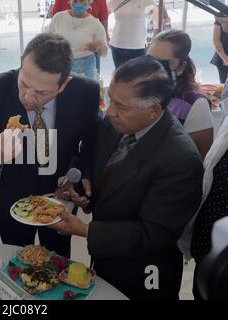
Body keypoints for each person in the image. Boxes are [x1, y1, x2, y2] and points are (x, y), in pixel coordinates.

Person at [51, 55, 203, 299]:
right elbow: (94, 157)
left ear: (154, 110)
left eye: (120, 106)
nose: (110, 112)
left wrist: (85, 230)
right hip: (107, 258)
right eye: (110, 100)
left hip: (145, 271)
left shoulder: (180, 160)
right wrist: (85, 184)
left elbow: (154, 233)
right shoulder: (117, 123)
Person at [0, 33, 100, 258]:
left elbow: (93, 142)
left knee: (58, 259)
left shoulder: (85, 92)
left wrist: (79, 177)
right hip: (10, 200)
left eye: (42, 92)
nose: (28, 98)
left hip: (61, 200)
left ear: (64, 84)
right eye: (24, 84)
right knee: (16, 260)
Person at [148, 30, 214, 158]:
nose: (152, 69)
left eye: (163, 64)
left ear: (181, 67)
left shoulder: (195, 104)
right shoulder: (140, 90)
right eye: (149, 60)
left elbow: (200, 158)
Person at [49, 0, 107, 79]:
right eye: (75, 1)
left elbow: (104, 52)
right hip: (61, 67)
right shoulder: (58, 18)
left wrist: (98, 47)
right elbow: (48, 41)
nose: (78, 4)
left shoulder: (95, 24)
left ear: (89, 2)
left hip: (85, 70)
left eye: (82, 1)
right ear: (70, 1)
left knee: (84, 90)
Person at [108, 0, 154, 69]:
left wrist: (153, 42)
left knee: (139, 77)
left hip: (139, 47)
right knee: (121, 77)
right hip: (118, 46)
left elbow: (156, 20)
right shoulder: (115, 1)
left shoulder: (148, 1)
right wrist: (106, 35)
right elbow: (103, 15)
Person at [211, 16, 228, 84]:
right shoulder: (221, 17)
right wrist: (225, 58)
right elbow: (216, 40)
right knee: (224, 86)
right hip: (223, 59)